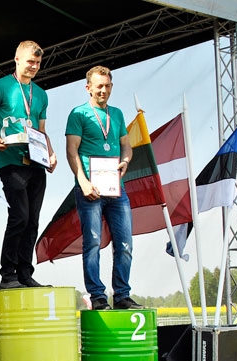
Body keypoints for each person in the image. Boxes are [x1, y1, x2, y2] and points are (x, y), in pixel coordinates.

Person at [0, 40, 58, 290]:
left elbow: (41, 131)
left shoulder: (41, 94)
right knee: (19, 215)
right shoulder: (0, 87)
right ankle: (7, 273)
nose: (33, 66)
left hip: (36, 162)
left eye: (38, 63)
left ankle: (24, 273)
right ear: (17, 59)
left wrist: (50, 154)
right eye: (30, 61)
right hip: (10, 159)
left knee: (33, 220)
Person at [65, 65, 143, 310]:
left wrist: (126, 161)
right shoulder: (78, 114)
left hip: (116, 189)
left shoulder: (117, 114)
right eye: (99, 86)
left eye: (107, 86)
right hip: (90, 189)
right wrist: (83, 181)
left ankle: (122, 295)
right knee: (93, 243)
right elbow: (71, 150)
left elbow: (126, 146)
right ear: (88, 87)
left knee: (125, 243)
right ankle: (97, 295)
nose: (103, 90)